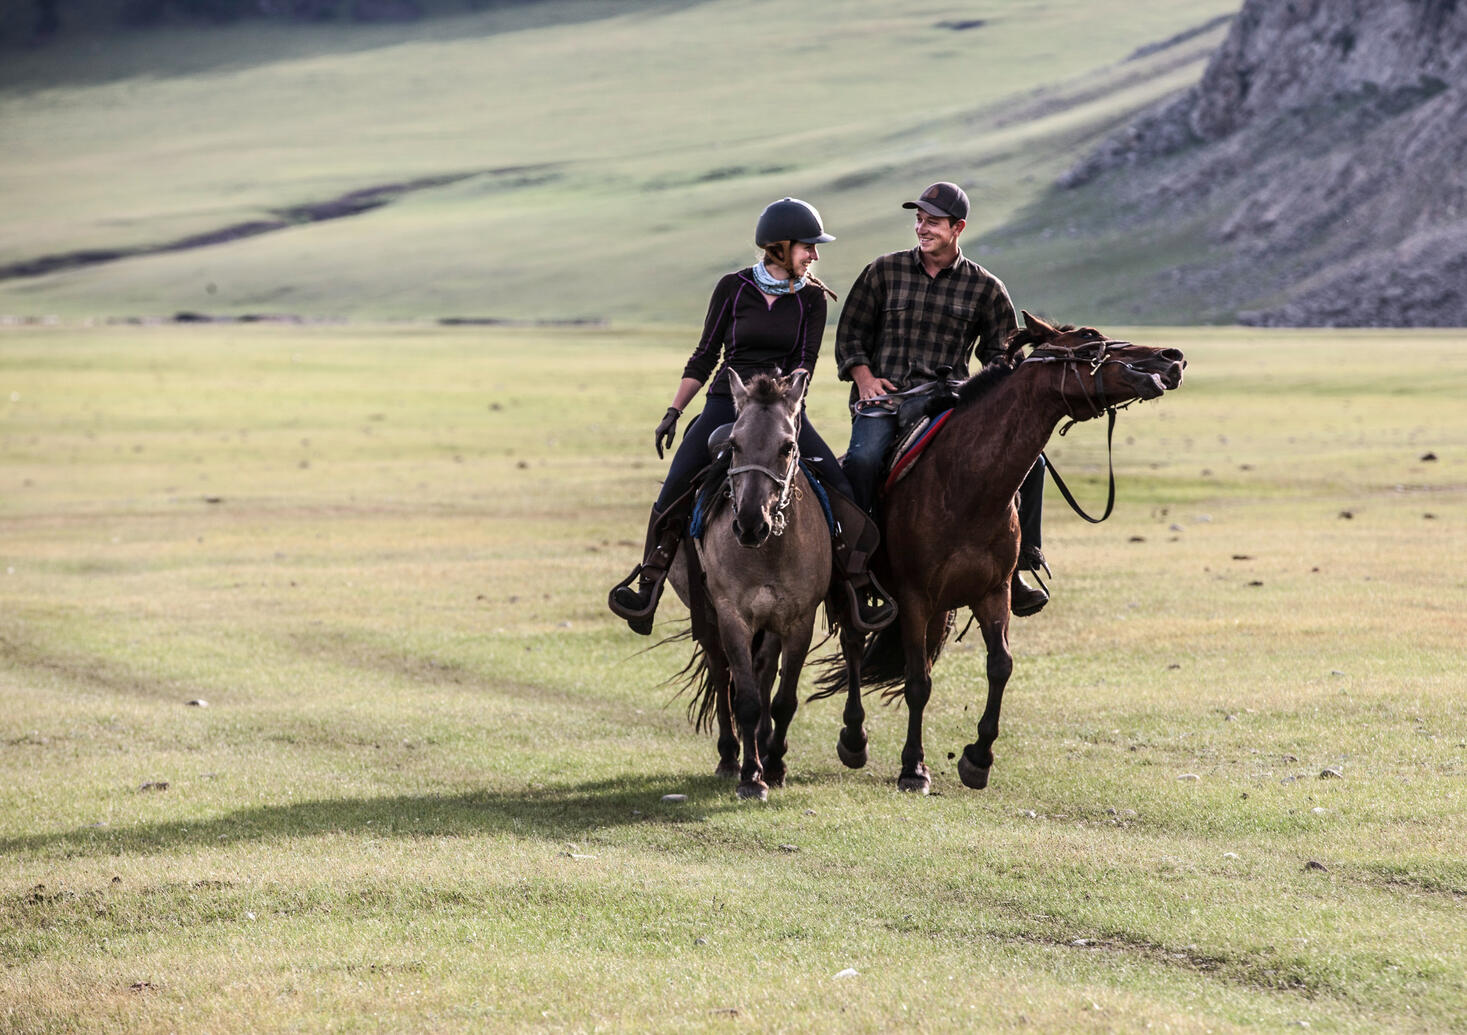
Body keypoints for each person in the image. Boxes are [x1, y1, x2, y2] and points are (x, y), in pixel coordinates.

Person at [607, 198, 896, 635]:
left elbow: (804, 362)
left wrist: (788, 406)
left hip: (782, 409)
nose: (815, 255)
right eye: (808, 247)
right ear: (780, 247)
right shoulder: (733, 288)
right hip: (727, 402)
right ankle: (649, 582)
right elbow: (705, 356)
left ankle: (855, 582)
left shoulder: (813, 299)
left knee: (842, 487)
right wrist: (675, 409)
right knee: (676, 484)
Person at [834, 181, 1050, 616]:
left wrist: (992, 402)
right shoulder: (883, 271)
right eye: (918, 220)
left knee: (1034, 463)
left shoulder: (986, 288)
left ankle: (1019, 565)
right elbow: (851, 333)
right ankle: (856, 565)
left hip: (950, 401)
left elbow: (1002, 357)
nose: (921, 228)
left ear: (958, 227)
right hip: (887, 398)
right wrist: (863, 378)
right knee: (861, 460)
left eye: (931, 222)